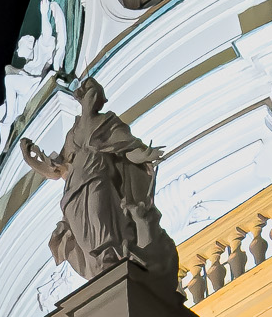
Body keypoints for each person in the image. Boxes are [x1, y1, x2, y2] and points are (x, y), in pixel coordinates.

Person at [20, 75, 174, 285]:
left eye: (95, 93)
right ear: (82, 98)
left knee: (99, 220)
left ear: (99, 99)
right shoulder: (73, 133)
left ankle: (109, 261)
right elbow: (55, 171)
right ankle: (101, 269)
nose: (92, 96)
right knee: (84, 237)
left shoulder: (107, 122)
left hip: (97, 180)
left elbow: (128, 148)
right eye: (89, 92)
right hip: (73, 191)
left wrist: (146, 154)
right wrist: (29, 159)